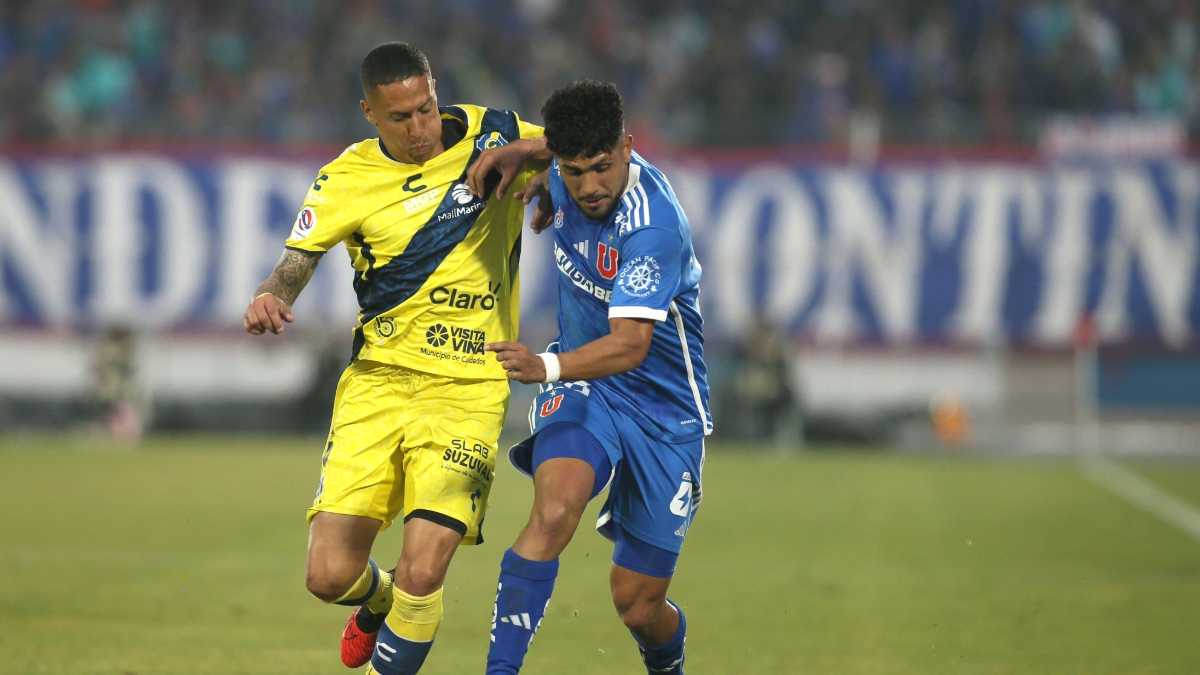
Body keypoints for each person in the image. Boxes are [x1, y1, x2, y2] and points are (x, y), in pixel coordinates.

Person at [242, 42, 546, 675]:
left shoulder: (495, 133)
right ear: (369, 114)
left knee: (424, 568)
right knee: (328, 576)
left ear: (437, 91)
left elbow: (603, 143)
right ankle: (377, 600)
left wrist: (528, 154)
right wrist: (271, 296)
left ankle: (398, 613)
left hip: (469, 385)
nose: (421, 130)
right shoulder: (345, 178)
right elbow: (295, 263)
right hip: (378, 384)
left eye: (427, 109)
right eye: (401, 117)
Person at [482, 80, 711, 675]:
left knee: (637, 605)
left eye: (602, 168)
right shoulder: (564, 170)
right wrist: (524, 155)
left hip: (665, 414)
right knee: (555, 510)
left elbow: (632, 344)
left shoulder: (652, 226)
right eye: (573, 171)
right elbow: (552, 150)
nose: (589, 186)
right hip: (589, 388)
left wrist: (543, 366)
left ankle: (668, 665)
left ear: (629, 148)